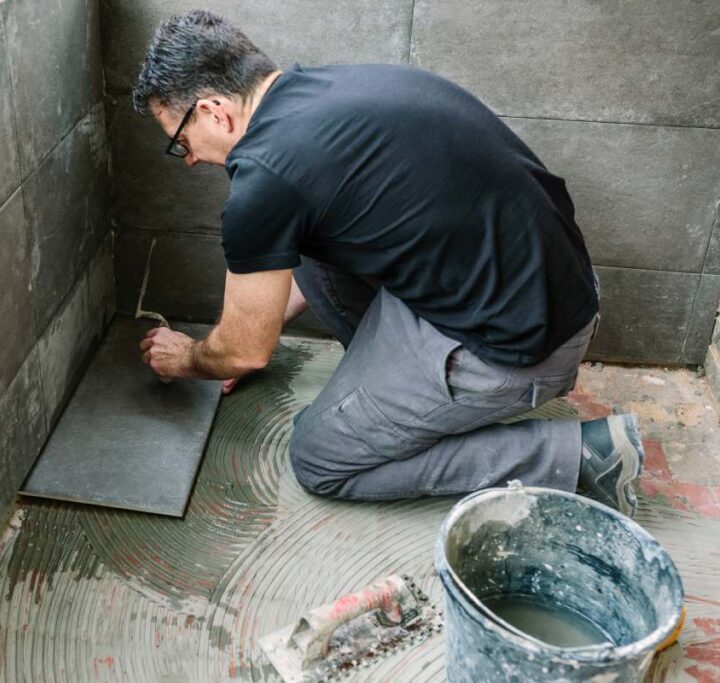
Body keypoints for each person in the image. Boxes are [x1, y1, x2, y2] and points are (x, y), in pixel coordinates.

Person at [133, 10, 644, 516]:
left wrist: (195, 357)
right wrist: (246, 338)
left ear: (214, 111)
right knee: (303, 246)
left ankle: (578, 458)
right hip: (546, 290)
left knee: (319, 459)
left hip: (515, 345)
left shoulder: (264, 180)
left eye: (180, 141)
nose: (191, 157)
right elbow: (259, 325)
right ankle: (395, 399)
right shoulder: (332, 90)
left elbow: (245, 352)